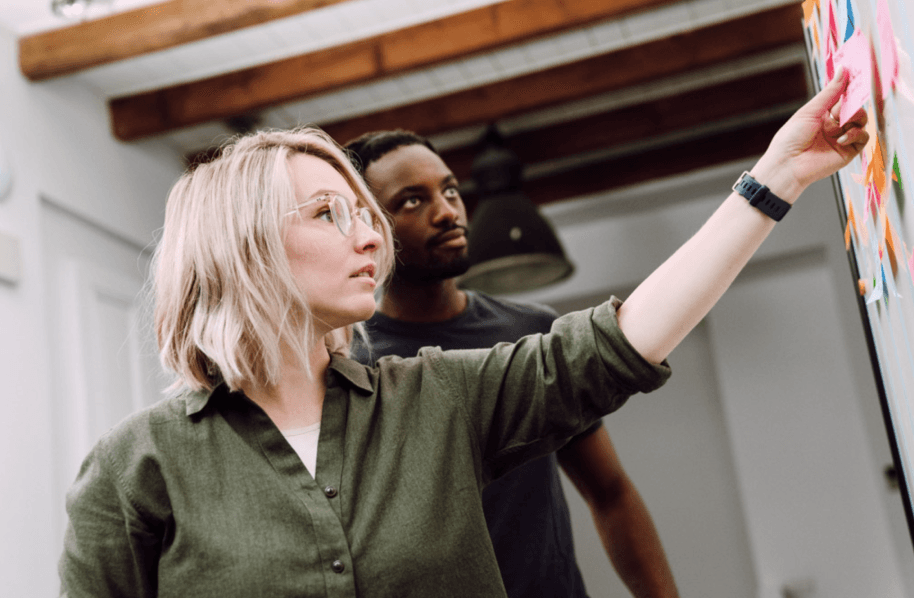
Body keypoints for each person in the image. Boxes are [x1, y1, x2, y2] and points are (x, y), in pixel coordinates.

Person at [57, 67, 867, 598]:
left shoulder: (441, 395)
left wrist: (776, 179)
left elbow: (623, 340)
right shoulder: (136, 470)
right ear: (244, 246)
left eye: (363, 214)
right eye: (327, 214)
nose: (369, 235)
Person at [345, 129, 679, 598]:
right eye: (412, 201)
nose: (447, 211)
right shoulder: (354, 364)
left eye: (450, 190)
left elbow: (610, 492)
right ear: (369, 229)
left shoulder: (531, 330)